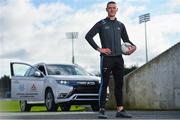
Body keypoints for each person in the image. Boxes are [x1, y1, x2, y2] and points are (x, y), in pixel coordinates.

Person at [85, 1, 136, 119]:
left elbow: (126, 40)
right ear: (106, 9)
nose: (112, 10)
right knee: (104, 83)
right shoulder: (101, 24)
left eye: (114, 8)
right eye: (110, 8)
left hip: (119, 59)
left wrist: (134, 47)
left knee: (119, 84)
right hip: (106, 59)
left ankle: (120, 110)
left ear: (117, 10)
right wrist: (99, 49)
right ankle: (102, 111)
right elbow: (88, 36)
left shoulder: (121, 25)